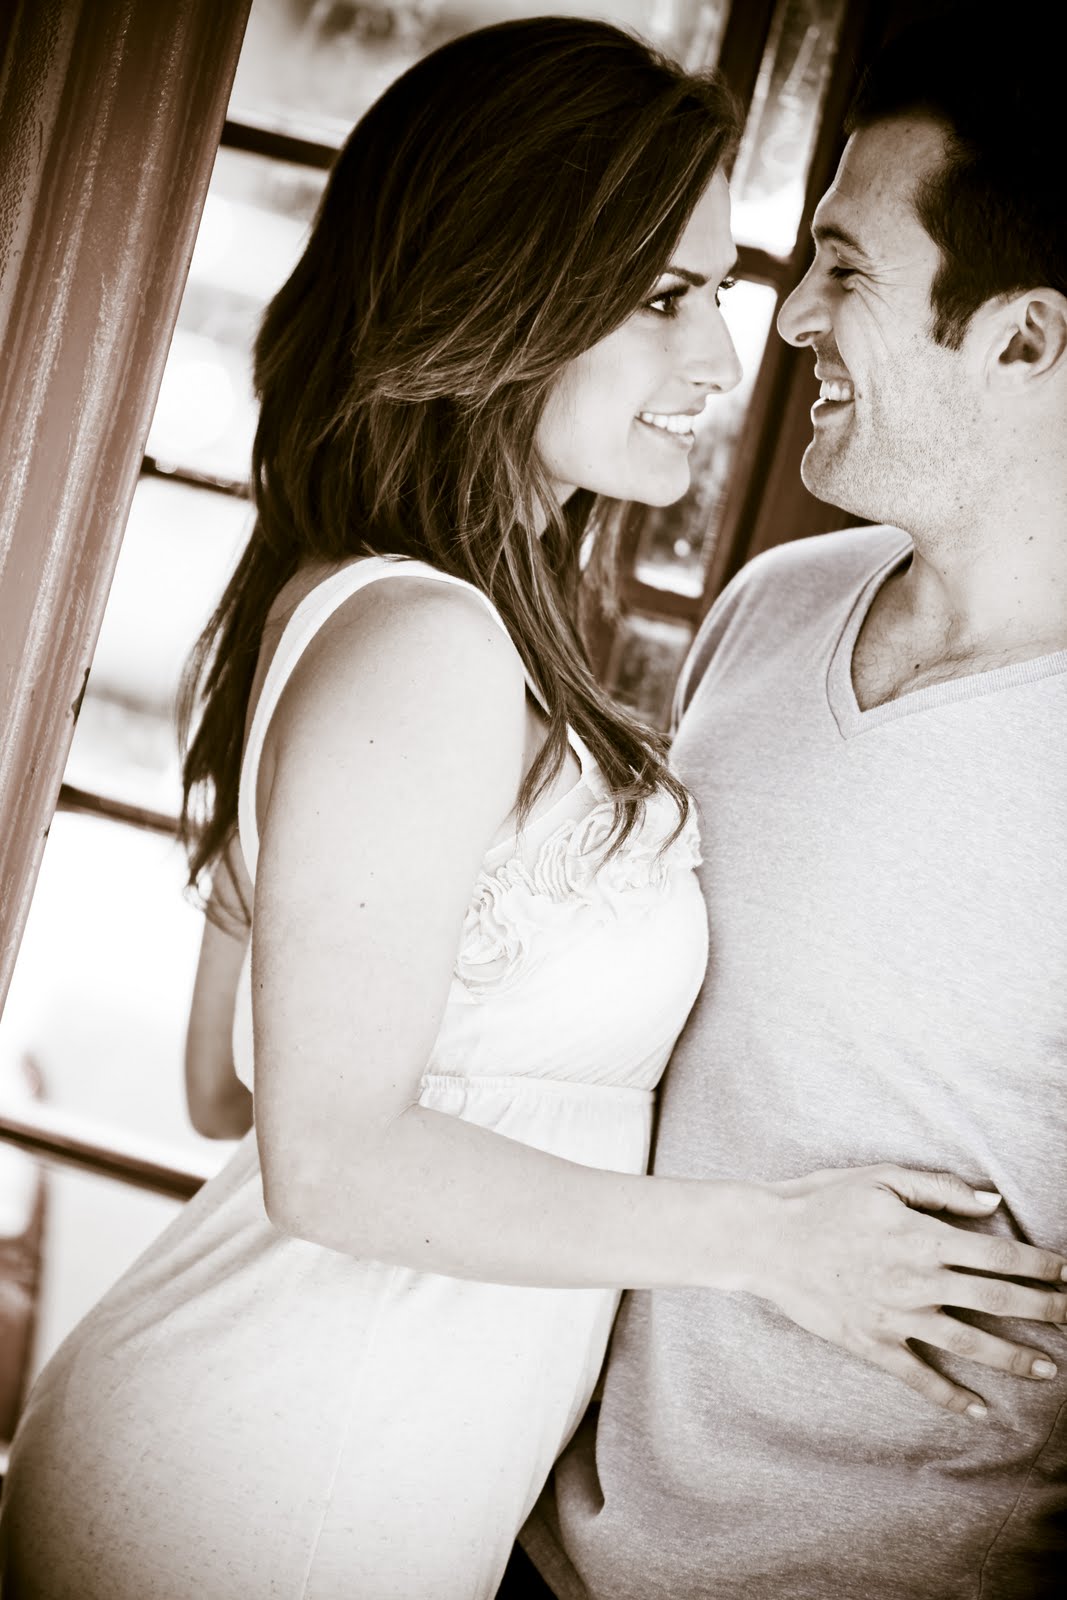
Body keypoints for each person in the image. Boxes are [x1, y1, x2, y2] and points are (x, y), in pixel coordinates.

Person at [2, 16, 1064, 1600]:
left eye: (748, 285)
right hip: (293, 1493)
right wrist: (773, 1240)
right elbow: (319, 1151)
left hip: (398, 1488)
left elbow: (228, 1081)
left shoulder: (423, 624)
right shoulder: (465, 639)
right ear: (513, 295)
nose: (741, 350)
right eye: (668, 297)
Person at [514, 7, 1067, 1598]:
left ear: (1023, 340)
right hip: (522, 1538)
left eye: (844, 269)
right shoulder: (771, 605)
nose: (791, 318)